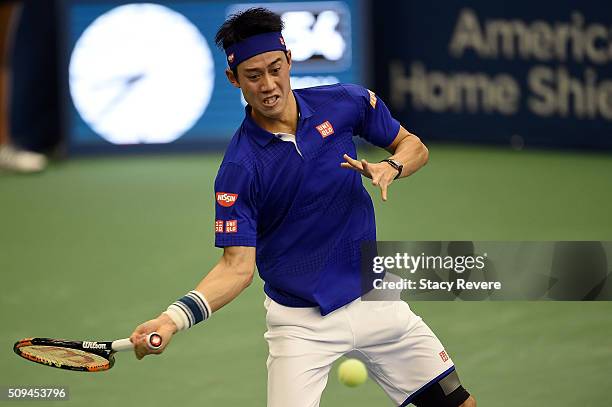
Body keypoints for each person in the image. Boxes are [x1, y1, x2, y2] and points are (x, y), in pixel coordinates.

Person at [130, 8, 476, 407]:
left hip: (376, 299)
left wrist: (391, 167)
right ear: (233, 80)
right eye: (253, 76)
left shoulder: (344, 102)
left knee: (458, 405)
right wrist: (171, 319)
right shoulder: (239, 170)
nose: (268, 85)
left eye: (275, 69)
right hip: (299, 324)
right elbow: (236, 268)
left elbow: (413, 146)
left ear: (290, 60)